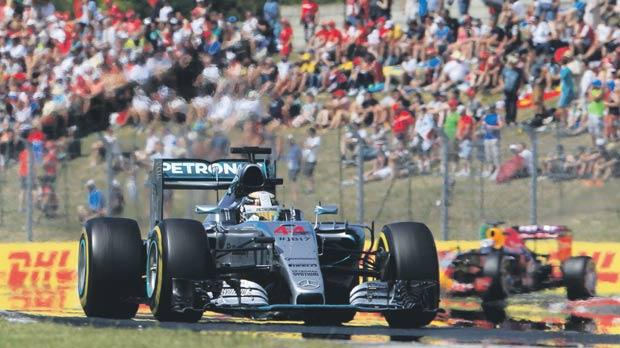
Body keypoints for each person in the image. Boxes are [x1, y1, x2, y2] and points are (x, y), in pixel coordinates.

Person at [481, 102, 504, 178]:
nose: (490, 110)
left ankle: (498, 170)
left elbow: (500, 126)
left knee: (495, 155)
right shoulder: (485, 117)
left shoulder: (497, 116)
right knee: (488, 155)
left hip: (494, 138)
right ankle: (490, 169)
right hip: (487, 138)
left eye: (492, 108)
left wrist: (492, 127)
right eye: (490, 109)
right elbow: (483, 126)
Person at [499, 54, 524, 125]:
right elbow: (501, 77)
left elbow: (521, 81)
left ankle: (513, 119)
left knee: (513, 105)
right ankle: (508, 119)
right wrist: (502, 84)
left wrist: (520, 89)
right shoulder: (505, 69)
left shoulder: (519, 71)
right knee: (507, 104)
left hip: (514, 90)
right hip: (506, 89)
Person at [302, 127, 321, 193]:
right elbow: (304, 146)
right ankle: (310, 188)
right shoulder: (309, 139)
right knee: (308, 175)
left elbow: (311, 147)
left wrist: (306, 145)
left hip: (312, 159)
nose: (309, 134)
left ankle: (311, 189)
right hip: (307, 159)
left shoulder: (317, 139)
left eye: (310, 132)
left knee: (309, 175)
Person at [286, 135, 302, 202]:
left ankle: (295, 197)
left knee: (293, 183)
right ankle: (295, 197)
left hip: (294, 168)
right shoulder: (292, 148)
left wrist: (298, 165)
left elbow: (299, 157)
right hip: (292, 167)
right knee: (293, 182)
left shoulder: (295, 148)